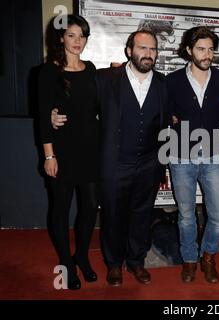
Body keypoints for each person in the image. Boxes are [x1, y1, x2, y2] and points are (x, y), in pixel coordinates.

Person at [52, 30, 169, 286]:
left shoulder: (163, 83)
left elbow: (165, 126)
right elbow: (81, 106)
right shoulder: (105, 78)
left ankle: (136, 261)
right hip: (114, 164)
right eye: (142, 48)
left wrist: (162, 163)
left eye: (152, 49)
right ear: (129, 51)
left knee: (142, 216)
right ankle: (114, 264)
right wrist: (52, 112)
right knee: (113, 217)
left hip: (149, 163)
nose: (148, 54)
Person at [38, 14, 98, 290]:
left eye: (82, 36)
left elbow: (97, 109)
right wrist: (49, 155)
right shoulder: (48, 71)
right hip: (61, 152)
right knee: (60, 210)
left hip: (89, 151)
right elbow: (42, 116)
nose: (78, 41)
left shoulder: (91, 69)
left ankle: (82, 257)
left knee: (89, 207)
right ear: (61, 37)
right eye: (72, 35)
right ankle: (65, 261)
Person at [166, 26, 219, 284]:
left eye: (211, 49)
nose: (207, 55)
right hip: (181, 154)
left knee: (217, 215)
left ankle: (209, 256)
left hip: (213, 152)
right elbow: (165, 113)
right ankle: (190, 260)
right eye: (201, 49)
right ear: (189, 50)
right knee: (186, 214)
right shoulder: (171, 81)